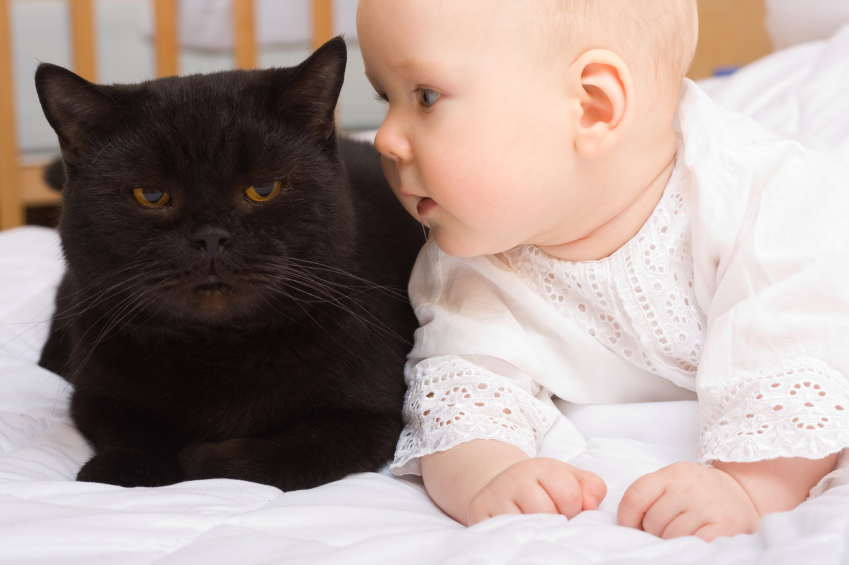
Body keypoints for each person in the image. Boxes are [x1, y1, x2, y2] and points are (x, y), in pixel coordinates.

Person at [355, 0, 849, 541]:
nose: (383, 138)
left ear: (592, 106)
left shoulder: (767, 199)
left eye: (425, 97)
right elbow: (462, 393)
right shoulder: (471, 259)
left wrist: (747, 489)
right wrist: (489, 476)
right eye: (385, 99)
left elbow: (796, 362)